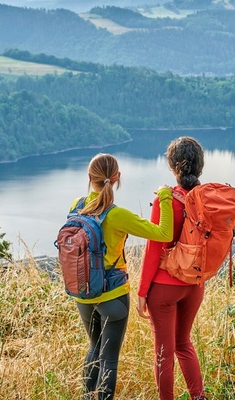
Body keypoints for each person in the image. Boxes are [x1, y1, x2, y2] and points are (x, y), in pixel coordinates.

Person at [71, 153, 174, 400]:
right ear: (116, 178)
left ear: (89, 177)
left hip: (83, 293)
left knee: (94, 348)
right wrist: (165, 195)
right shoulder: (117, 215)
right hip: (113, 297)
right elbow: (164, 233)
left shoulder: (76, 205)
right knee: (109, 360)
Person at [137, 136, 207, 400]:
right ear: (199, 166)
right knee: (184, 344)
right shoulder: (205, 200)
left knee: (164, 354)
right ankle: (198, 397)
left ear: (173, 167)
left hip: (165, 288)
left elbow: (154, 248)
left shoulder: (167, 201)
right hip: (194, 284)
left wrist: (143, 291)